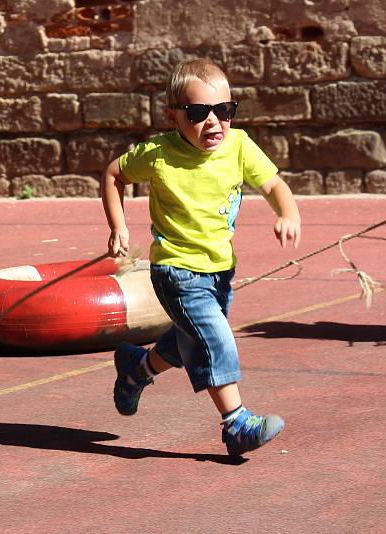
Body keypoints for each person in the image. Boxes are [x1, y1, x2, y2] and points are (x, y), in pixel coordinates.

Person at [101, 58, 302, 457]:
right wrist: (118, 226)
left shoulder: (240, 146)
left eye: (224, 111)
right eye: (197, 113)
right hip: (176, 270)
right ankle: (237, 424)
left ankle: (136, 370)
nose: (213, 122)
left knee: (186, 341)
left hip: (220, 270)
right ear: (173, 115)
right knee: (215, 338)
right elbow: (113, 175)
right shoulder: (158, 153)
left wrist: (288, 212)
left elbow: (275, 184)